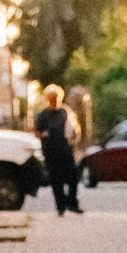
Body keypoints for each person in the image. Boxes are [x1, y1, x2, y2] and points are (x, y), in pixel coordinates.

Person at [35, 85, 83, 214]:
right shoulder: (43, 115)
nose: (54, 101)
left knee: (73, 177)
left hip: (65, 148)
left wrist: (74, 132)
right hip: (51, 150)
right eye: (52, 98)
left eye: (56, 98)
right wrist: (44, 134)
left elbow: (74, 127)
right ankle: (60, 206)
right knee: (56, 180)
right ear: (48, 99)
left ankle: (72, 202)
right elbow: (37, 132)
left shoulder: (65, 112)